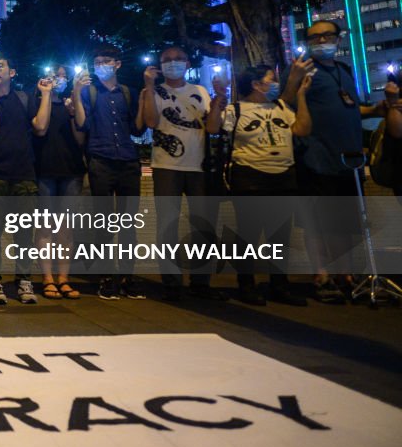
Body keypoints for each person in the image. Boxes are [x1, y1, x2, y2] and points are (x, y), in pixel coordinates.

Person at [281, 20, 391, 302]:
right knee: (318, 223)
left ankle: (344, 273)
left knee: (346, 222)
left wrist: (375, 109)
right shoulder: (303, 70)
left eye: (326, 36)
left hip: (349, 161)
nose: (320, 41)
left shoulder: (343, 71)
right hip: (317, 157)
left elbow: (350, 108)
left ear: (338, 39)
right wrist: (293, 79)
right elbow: (284, 104)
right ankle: (321, 274)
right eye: (314, 38)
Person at [140, 47, 227, 301]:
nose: (172, 64)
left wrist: (218, 101)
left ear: (188, 63)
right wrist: (148, 86)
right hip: (166, 166)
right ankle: (171, 282)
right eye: (166, 60)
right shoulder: (154, 92)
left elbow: (212, 127)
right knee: (167, 226)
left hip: (198, 166)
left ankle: (201, 282)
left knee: (203, 226)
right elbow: (150, 122)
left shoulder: (199, 91)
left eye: (178, 59)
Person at [224, 65, 311, 306]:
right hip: (250, 175)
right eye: (271, 80)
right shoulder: (236, 109)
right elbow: (216, 131)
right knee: (248, 234)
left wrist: (301, 97)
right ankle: (247, 284)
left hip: (284, 174)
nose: (275, 84)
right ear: (256, 84)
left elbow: (302, 129)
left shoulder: (282, 107)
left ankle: (279, 285)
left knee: (280, 235)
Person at [0, 55, 52, 305]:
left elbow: (41, 127)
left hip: (23, 174)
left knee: (24, 232)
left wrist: (46, 94)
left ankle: (24, 280)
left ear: (13, 73)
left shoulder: (24, 98)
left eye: (1, 66)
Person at [72, 45, 144, 300]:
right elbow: (82, 123)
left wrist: (146, 96)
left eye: (106, 61)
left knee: (128, 226)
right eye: (97, 61)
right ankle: (106, 278)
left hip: (127, 161)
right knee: (103, 225)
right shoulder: (90, 93)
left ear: (117, 64)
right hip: (100, 161)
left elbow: (137, 129)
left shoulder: (128, 93)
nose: (101, 65)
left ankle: (127, 277)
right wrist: (77, 91)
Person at [32, 65, 85, 299]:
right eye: (52, 75)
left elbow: (81, 136)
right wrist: (45, 95)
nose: (57, 79)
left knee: (65, 229)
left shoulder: (70, 105)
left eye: (61, 75)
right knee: (44, 227)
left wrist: (74, 109)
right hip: (44, 170)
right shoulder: (37, 102)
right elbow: (40, 128)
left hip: (71, 171)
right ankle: (47, 278)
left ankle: (64, 278)